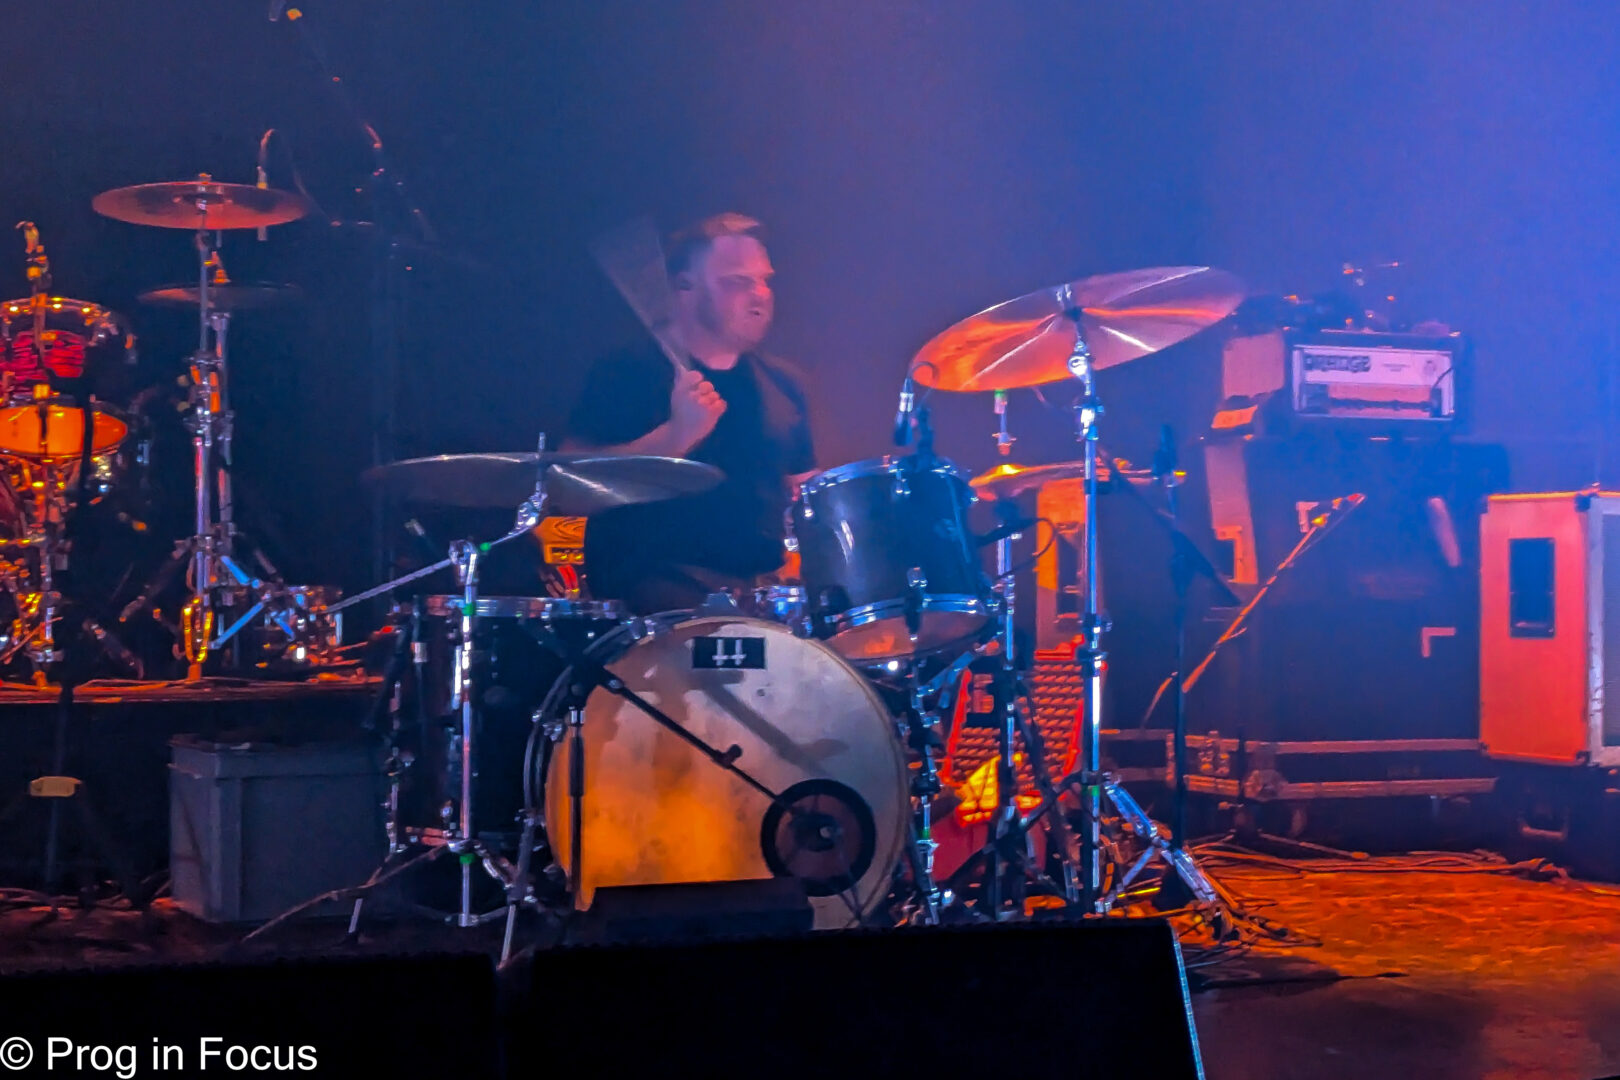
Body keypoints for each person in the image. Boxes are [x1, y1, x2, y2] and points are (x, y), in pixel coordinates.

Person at [562, 213, 816, 613]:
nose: (760, 295)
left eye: (764, 280)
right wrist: (676, 435)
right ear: (684, 287)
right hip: (657, 597)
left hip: (762, 599)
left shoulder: (783, 384)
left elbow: (804, 492)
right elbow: (567, 486)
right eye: (737, 282)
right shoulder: (628, 372)